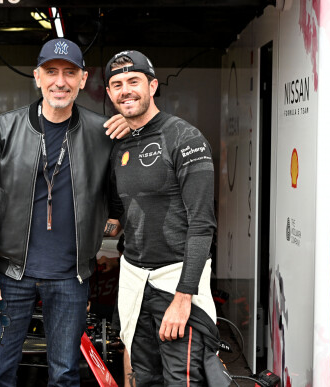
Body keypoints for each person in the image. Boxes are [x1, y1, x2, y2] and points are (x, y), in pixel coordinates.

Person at [0, 38, 127, 387]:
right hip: (10, 274)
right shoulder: (5, 128)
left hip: (72, 275)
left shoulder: (103, 133)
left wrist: (132, 130)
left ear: (83, 80)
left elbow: (121, 195)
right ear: (37, 76)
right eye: (51, 72)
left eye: (70, 73)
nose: (60, 81)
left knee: (65, 374)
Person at [105, 51, 231, 386]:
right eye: (116, 84)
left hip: (176, 283)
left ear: (153, 86)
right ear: (109, 93)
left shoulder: (184, 139)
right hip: (134, 282)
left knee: (183, 379)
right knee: (145, 377)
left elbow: (203, 226)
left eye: (134, 81)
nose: (125, 90)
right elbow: (118, 211)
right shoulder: (118, 145)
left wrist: (182, 297)